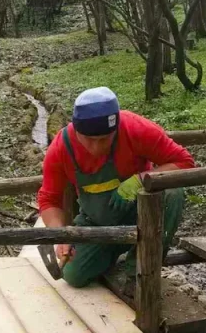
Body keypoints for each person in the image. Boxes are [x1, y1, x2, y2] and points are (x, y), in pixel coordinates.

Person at [38, 87, 195, 297]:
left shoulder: (135, 129)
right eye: (88, 140)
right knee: (73, 275)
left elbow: (184, 162)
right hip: (96, 222)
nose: (96, 147)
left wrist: (139, 181)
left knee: (173, 191)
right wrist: (60, 234)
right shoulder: (60, 148)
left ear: (116, 129)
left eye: (104, 139)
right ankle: (111, 251)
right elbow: (49, 199)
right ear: (76, 130)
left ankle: (138, 271)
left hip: (142, 216)